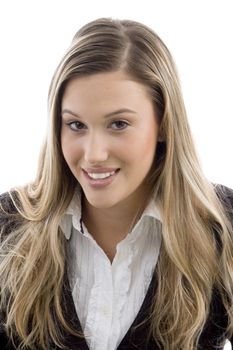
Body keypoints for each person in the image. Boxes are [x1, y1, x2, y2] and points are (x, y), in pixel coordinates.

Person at [0, 17, 233, 350]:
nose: (94, 154)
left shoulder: (223, 225)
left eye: (118, 124)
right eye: (76, 125)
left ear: (164, 123)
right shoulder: (8, 226)